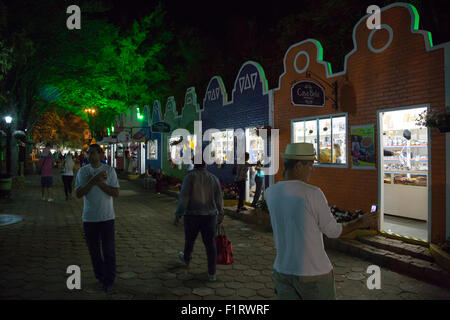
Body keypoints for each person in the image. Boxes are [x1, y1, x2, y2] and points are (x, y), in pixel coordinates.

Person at [265, 143, 379, 300]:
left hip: (282, 271)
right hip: (313, 273)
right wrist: (360, 222)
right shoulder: (312, 194)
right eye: (310, 165)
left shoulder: (270, 193)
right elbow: (333, 231)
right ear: (299, 165)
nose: (312, 170)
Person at [75, 144, 120, 294]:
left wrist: (97, 181)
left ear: (101, 154)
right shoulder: (83, 171)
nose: (90, 156)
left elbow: (115, 192)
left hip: (107, 217)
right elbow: (79, 193)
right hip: (89, 218)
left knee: (108, 251)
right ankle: (101, 277)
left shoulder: (109, 170)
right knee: (94, 251)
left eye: (93, 153)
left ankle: (109, 280)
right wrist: (94, 180)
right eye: (88, 153)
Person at [174, 159, 224, 282]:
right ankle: (212, 273)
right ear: (205, 164)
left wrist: (178, 214)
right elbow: (219, 199)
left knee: (190, 240)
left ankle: (186, 259)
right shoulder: (213, 178)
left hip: (192, 215)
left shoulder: (189, 177)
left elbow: (184, 197)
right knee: (210, 245)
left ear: (194, 163)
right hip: (210, 216)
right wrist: (221, 214)